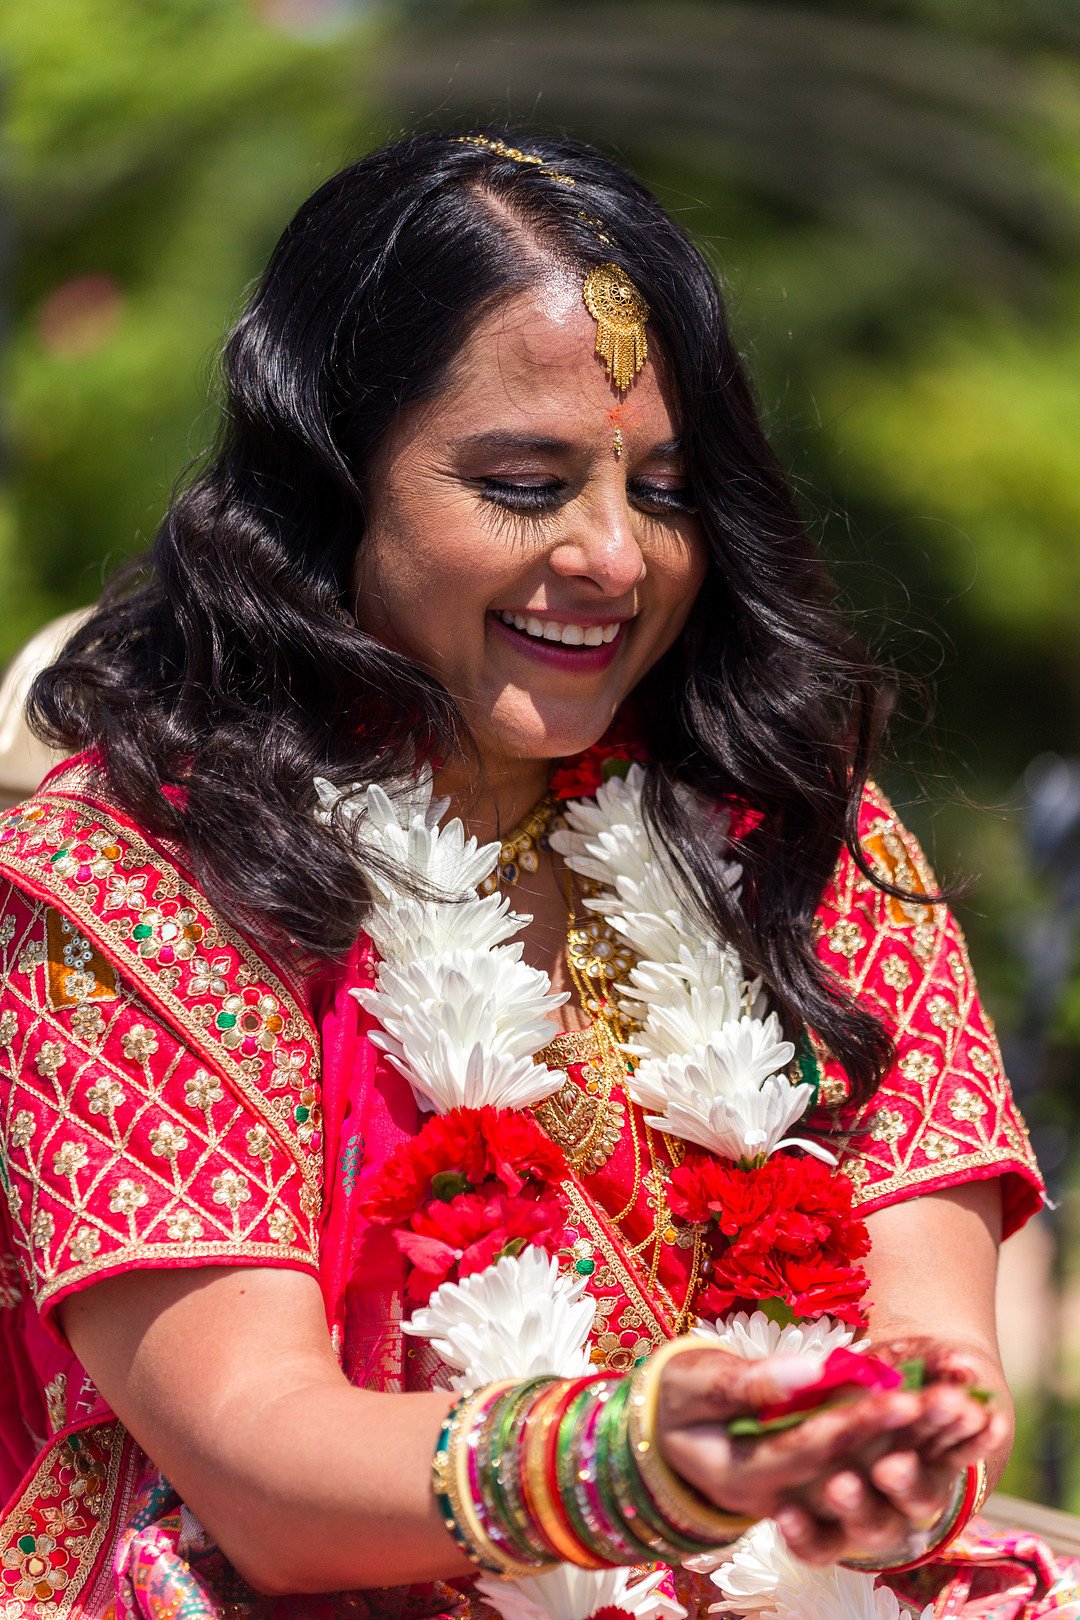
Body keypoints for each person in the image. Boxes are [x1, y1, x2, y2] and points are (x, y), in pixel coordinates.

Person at [0, 129, 1055, 1620]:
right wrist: (634, 1466)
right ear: (330, 481)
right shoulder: (135, 881)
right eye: (523, 482)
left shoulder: (794, 829)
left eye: (667, 489)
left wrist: (889, 1451)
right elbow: (262, 1471)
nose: (618, 557)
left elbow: (926, 1349)